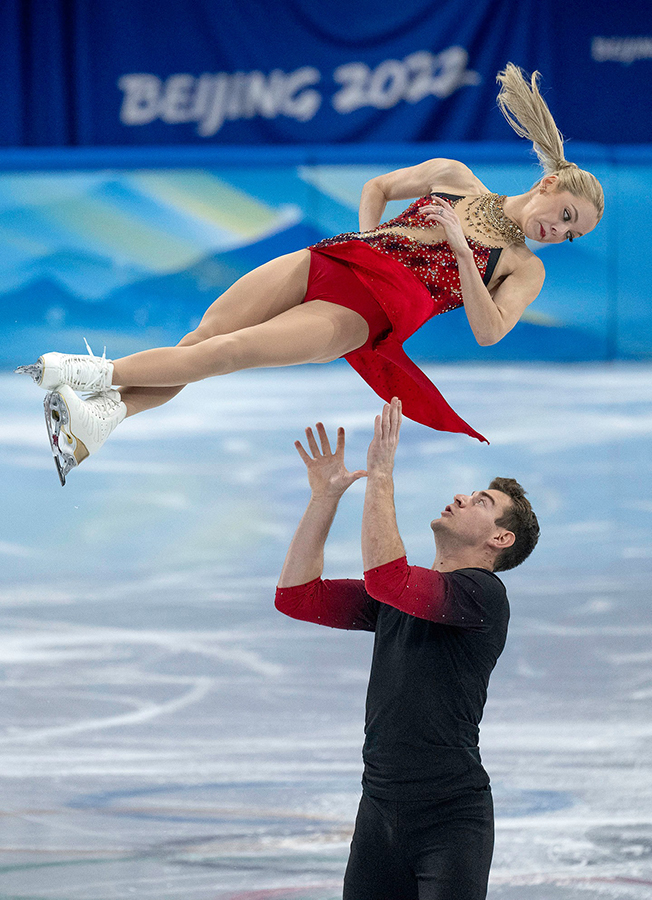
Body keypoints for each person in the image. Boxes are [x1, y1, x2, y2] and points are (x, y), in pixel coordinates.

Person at [17, 64, 604, 483]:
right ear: (549, 184)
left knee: (228, 352)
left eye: (572, 234)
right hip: (333, 259)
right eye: (567, 216)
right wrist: (371, 237)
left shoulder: (522, 267)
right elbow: (378, 186)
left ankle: (86, 374)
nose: (561, 232)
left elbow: (489, 331)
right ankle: (98, 422)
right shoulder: (454, 175)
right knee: (201, 341)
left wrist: (459, 248)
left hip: (365, 311)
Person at [275, 397, 540, 900]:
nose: (461, 497)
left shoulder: (483, 595)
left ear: (501, 539)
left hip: (450, 816)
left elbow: (386, 577)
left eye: (481, 501)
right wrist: (324, 498)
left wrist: (380, 474)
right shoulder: (402, 596)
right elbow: (297, 598)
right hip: (378, 809)